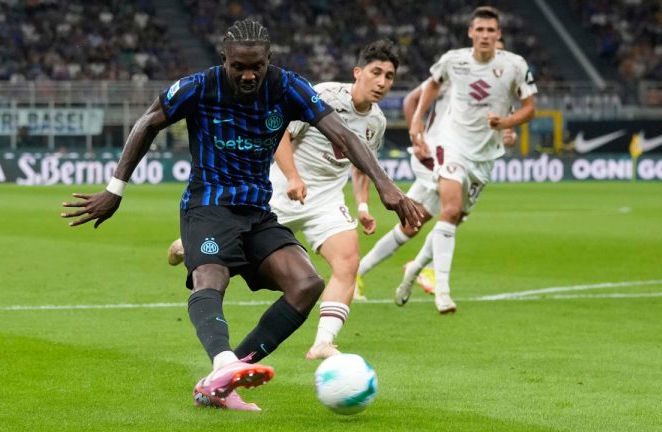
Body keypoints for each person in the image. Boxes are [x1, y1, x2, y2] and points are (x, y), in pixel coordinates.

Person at [60, 19, 422, 411]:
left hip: (257, 211)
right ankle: (222, 364)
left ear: (269, 60)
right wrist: (116, 189)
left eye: (257, 67)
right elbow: (148, 122)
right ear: (224, 60)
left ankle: (223, 380)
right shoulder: (199, 86)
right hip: (208, 207)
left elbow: (344, 135)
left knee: (306, 284)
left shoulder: (287, 86)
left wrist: (387, 187)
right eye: (239, 67)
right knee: (210, 276)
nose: (248, 75)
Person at [398, 6, 537, 314]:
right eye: (480, 30)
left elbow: (530, 108)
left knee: (456, 217)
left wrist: (505, 123)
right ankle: (443, 292)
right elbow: (432, 85)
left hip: (485, 154)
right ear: (471, 33)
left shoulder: (515, 65)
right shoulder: (453, 60)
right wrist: (417, 121)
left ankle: (415, 269)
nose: (485, 35)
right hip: (452, 144)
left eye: (491, 31)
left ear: (498, 35)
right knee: (448, 208)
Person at [355, 37, 516, 298]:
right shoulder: (455, 75)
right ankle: (424, 270)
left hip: (466, 159)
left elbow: (501, 129)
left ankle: (360, 273)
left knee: (417, 223)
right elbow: (410, 101)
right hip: (437, 154)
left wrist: (509, 136)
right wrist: (415, 136)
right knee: (451, 213)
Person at [270, 39, 398, 359]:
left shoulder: (376, 122)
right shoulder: (324, 95)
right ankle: (188, 246)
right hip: (282, 191)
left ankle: (322, 342)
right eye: (376, 72)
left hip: (326, 200)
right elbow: (281, 133)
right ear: (358, 72)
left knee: (348, 260)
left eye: (390, 76)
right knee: (228, 257)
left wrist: (364, 206)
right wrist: (294, 177)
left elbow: (362, 166)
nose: (382, 82)